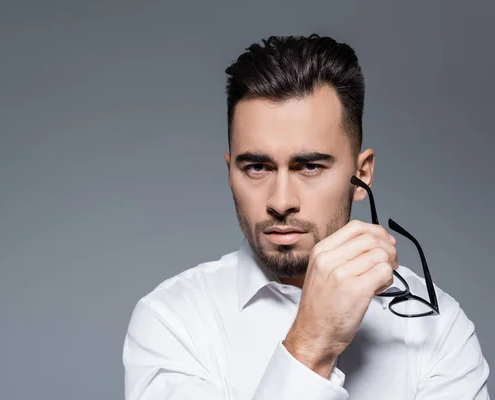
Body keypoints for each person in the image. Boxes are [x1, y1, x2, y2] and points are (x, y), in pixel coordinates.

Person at [122, 34, 490, 399]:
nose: (281, 202)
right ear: (229, 171)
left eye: (310, 166)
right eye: (256, 167)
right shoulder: (172, 322)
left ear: (361, 175)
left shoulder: (436, 327)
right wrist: (313, 342)